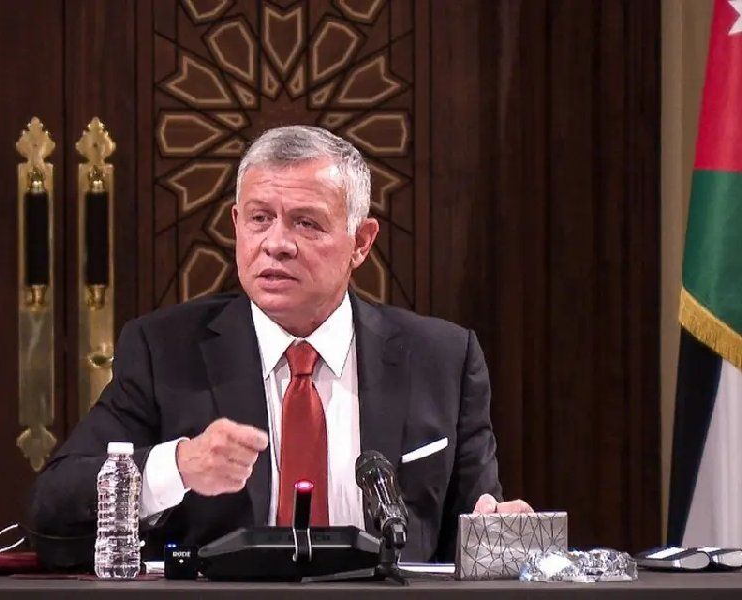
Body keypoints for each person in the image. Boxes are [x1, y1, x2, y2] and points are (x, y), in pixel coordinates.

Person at [27, 125, 531, 562]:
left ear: (361, 242)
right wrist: (176, 467)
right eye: (259, 218)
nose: (276, 243)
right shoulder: (165, 351)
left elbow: (476, 529)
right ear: (236, 225)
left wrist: (502, 532)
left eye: (306, 223)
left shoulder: (441, 359)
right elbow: (51, 509)